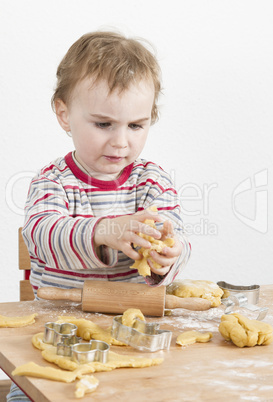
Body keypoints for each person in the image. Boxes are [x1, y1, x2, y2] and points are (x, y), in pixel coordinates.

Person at [7, 31, 190, 401]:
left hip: (132, 337)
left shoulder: (153, 182)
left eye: (136, 125)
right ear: (64, 114)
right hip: (56, 337)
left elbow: (176, 235)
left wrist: (168, 256)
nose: (121, 141)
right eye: (104, 124)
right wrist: (104, 231)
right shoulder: (52, 181)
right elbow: (43, 235)